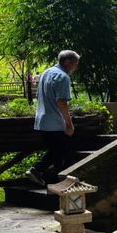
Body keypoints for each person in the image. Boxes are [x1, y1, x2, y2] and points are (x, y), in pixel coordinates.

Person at [26, 50, 80, 187]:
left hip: (41, 121)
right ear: (67, 62)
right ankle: (39, 171)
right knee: (61, 152)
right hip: (55, 123)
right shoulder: (63, 77)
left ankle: (46, 178)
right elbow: (61, 102)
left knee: (57, 151)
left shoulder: (46, 72)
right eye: (75, 64)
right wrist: (69, 124)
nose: (75, 67)